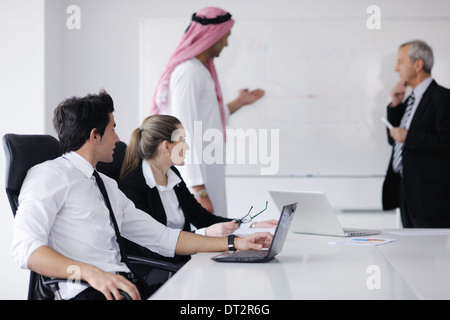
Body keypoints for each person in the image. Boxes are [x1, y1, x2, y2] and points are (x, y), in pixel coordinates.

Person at [11, 90, 273, 300]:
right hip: (86, 290)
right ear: (94, 136)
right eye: (113, 129)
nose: (117, 138)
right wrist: (91, 274)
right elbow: (26, 248)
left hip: (123, 285)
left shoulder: (104, 185)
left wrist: (234, 244)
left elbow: (162, 237)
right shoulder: (49, 176)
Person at [118, 115, 277, 282]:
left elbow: (203, 218)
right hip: (156, 269)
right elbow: (152, 245)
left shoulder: (173, 176)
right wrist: (206, 234)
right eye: (183, 140)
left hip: (183, 262)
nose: (187, 147)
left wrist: (251, 225)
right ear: (166, 146)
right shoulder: (133, 185)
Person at [151, 7, 265, 216]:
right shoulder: (188, 72)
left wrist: (239, 102)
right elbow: (183, 132)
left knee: (218, 233)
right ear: (212, 36)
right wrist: (198, 190)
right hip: (196, 178)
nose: (226, 44)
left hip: (207, 170)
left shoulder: (199, 70)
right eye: (225, 38)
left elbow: (209, 117)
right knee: (206, 237)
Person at [382, 40, 450, 228]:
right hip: (406, 192)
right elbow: (394, 141)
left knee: (429, 254)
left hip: (430, 198)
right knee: (410, 254)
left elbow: (446, 141)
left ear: (418, 64)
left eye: (400, 62)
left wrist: (408, 136)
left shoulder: (443, 98)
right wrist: (395, 106)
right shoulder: (410, 100)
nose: (396, 68)